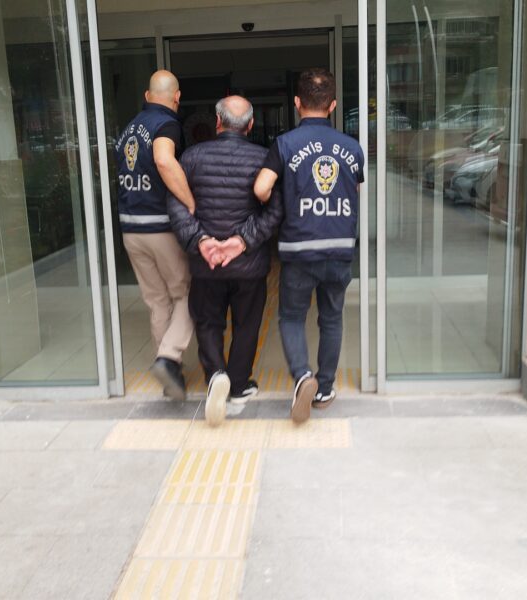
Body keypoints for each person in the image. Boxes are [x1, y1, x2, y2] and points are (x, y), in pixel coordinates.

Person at [253, 68, 365, 424]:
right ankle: (324, 388)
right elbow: (355, 190)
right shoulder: (352, 147)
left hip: (299, 250)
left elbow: (261, 188)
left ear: (297, 102)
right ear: (332, 105)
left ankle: (303, 375)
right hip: (340, 248)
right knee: (331, 318)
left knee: (291, 317)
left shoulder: (285, 144)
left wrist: (281, 199)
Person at [167, 96, 283, 427]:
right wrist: (243, 240)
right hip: (249, 264)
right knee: (247, 324)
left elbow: (175, 204)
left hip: (207, 264)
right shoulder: (264, 159)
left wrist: (201, 240)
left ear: (217, 122)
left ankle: (216, 375)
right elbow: (275, 211)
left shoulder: (191, 157)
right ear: (250, 125)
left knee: (208, 322)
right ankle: (239, 384)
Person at [114, 70, 197, 401]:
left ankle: (169, 376)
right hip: (159, 227)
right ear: (177, 97)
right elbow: (164, 160)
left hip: (130, 229)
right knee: (187, 294)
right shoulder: (166, 124)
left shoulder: (129, 129)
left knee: (157, 300)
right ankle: (169, 357)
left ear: (147, 96)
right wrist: (190, 202)